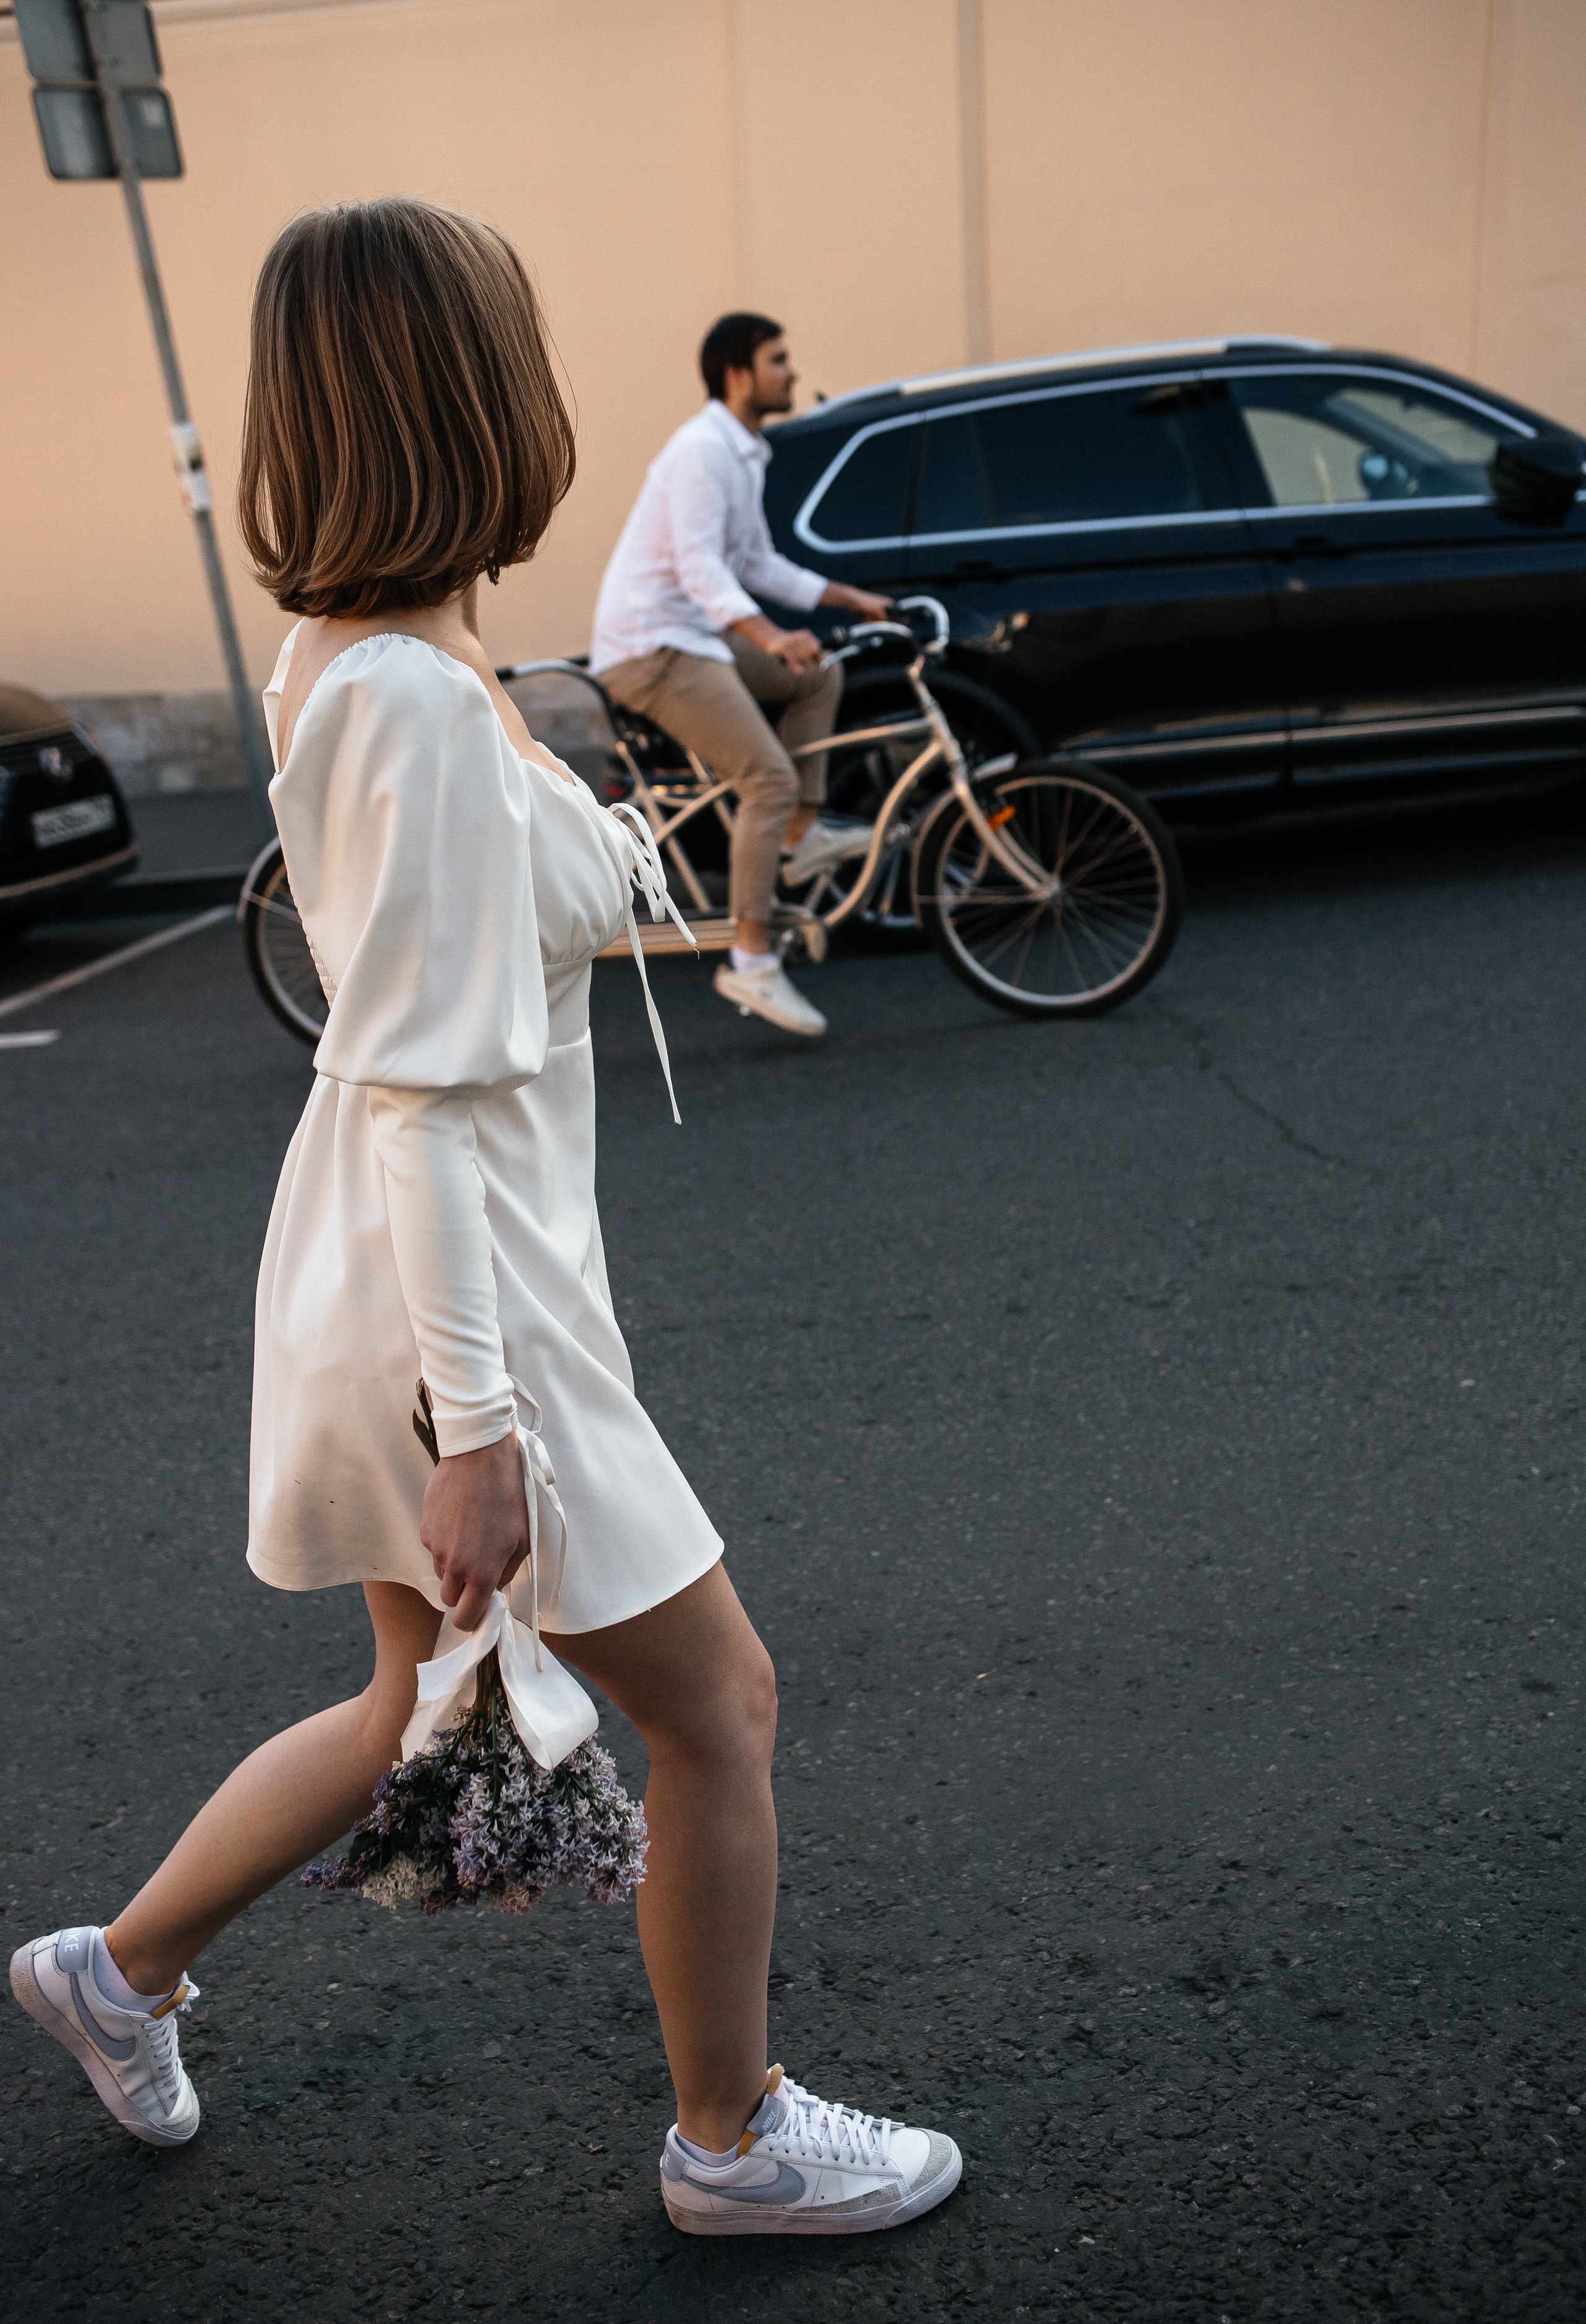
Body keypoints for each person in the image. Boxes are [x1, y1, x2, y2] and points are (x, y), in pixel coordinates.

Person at [9, 199, 962, 2240]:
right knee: (722, 1703)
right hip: (466, 1303)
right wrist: (486, 1433)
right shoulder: (418, 704)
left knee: (400, 1709)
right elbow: (438, 1100)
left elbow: (441, 987)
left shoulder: (369, 654)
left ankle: (119, 1968)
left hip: (394, 1269)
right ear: (475, 400)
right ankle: (734, 2140)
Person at [591, 312, 892, 1041]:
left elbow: (755, 562)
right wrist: (767, 633)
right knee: (767, 776)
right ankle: (751, 960)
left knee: (817, 676)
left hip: (695, 637)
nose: (790, 371)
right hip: (651, 649)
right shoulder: (701, 451)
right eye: (777, 360)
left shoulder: (744, 452)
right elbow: (700, 566)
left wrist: (845, 598)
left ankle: (800, 836)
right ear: (738, 373)